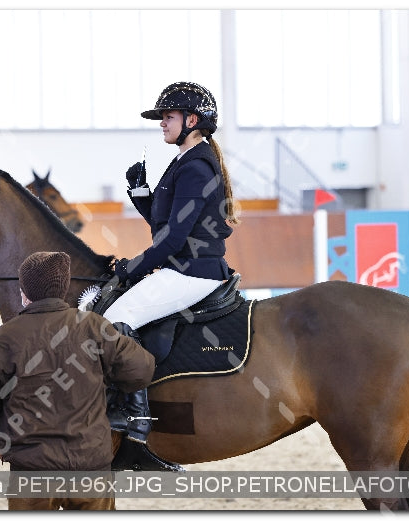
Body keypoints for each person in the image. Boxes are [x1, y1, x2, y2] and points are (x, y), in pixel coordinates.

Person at [0, 251, 155, 511]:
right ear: (63, 289)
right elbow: (142, 369)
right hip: (90, 467)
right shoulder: (94, 327)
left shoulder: (4, 339)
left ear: (23, 292)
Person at [103, 81, 239, 444]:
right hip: (183, 267)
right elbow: (166, 227)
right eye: (162, 117)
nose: (162, 123)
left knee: (114, 319)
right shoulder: (185, 161)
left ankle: (135, 416)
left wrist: (133, 266)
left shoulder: (195, 167)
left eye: (168, 116)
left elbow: (174, 240)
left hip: (193, 271)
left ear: (191, 119)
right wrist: (140, 194)